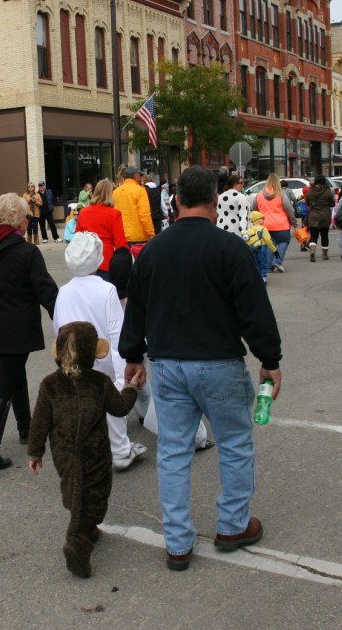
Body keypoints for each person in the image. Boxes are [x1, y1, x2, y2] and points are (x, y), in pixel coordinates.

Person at [119, 166, 283, 572]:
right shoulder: (228, 249)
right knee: (234, 443)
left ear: (176, 201)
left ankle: (177, 541)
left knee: (173, 451)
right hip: (219, 363)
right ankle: (233, 524)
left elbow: (136, 309)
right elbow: (253, 311)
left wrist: (133, 356)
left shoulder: (153, 251)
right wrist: (270, 360)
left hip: (168, 365)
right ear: (214, 201)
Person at [28, 321, 141, 578]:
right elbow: (120, 408)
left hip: (63, 454)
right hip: (95, 454)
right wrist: (132, 388)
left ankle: (87, 529)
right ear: (93, 353)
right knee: (96, 494)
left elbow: (39, 421)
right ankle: (77, 542)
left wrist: (35, 452)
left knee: (74, 490)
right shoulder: (100, 382)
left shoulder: (50, 384)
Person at [0, 193, 58, 470]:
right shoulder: (26, 252)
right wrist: (66, 320)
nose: (29, 219)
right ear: (17, 219)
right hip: (17, 329)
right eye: (27, 215)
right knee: (6, 379)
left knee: (14, 370)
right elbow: (47, 292)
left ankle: (25, 428)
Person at [52, 233, 147, 471]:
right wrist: (121, 370)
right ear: (98, 259)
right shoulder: (106, 290)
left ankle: (85, 449)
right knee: (112, 404)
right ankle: (120, 451)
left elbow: (59, 328)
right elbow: (117, 332)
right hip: (103, 357)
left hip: (73, 358)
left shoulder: (63, 292)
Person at [75, 179, 128, 281]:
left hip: (86, 260)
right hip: (105, 260)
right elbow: (121, 244)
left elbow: (77, 237)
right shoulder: (114, 214)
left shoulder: (84, 212)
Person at [250, 173, 294, 272]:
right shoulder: (281, 194)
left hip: (265, 225)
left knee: (270, 244)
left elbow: (254, 208)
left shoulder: (260, 194)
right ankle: (277, 261)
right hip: (281, 225)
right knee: (284, 241)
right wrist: (293, 221)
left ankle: (268, 266)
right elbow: (289, 209)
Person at [112, 166, 155, 245]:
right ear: (135, 176)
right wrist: (151, 233)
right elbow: (144, 215)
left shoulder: (115, 192)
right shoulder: (140, 190)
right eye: (140, 175)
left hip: (120, 235)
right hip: (137, 236)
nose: (140, 177)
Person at [305, 175, 335, 262]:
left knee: (314, 235)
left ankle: (312, 251)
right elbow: (332, 204)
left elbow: (307, 203)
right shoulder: (327, 191)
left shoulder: (310, 191)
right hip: (325, 216)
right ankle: (324, 255)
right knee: (324, 235)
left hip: (313, 216)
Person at [244, 210, 278, 283]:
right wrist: (274, 249)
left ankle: (256, 278)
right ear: (259, 220)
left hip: (252, 249)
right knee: (263, 263)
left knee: (255, 264)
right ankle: (263, 278)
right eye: (263, 218)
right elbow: (268, 240)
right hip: (262, 248)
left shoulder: (250, 230)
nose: (263, 220)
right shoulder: (263, 229)